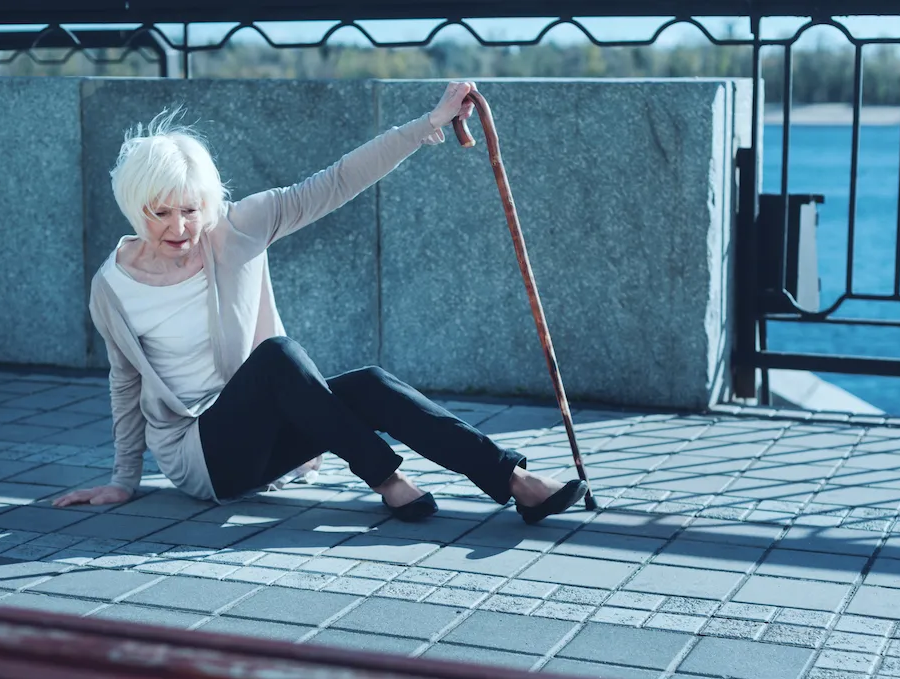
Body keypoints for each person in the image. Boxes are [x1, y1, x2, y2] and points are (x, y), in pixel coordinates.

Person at [52, 81, 588, 525]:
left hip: (275, 436)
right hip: (206, 459)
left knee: (371, 385)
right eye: (161, 213)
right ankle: (387, 478)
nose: (180, 227)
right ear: (134, 205)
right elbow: (125, 383)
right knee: (278, 358)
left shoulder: (236, 228)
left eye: (190, 209)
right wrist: (124, 481)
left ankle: (515, 481)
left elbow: (337, 180)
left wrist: (432, 121)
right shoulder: (114, 287)